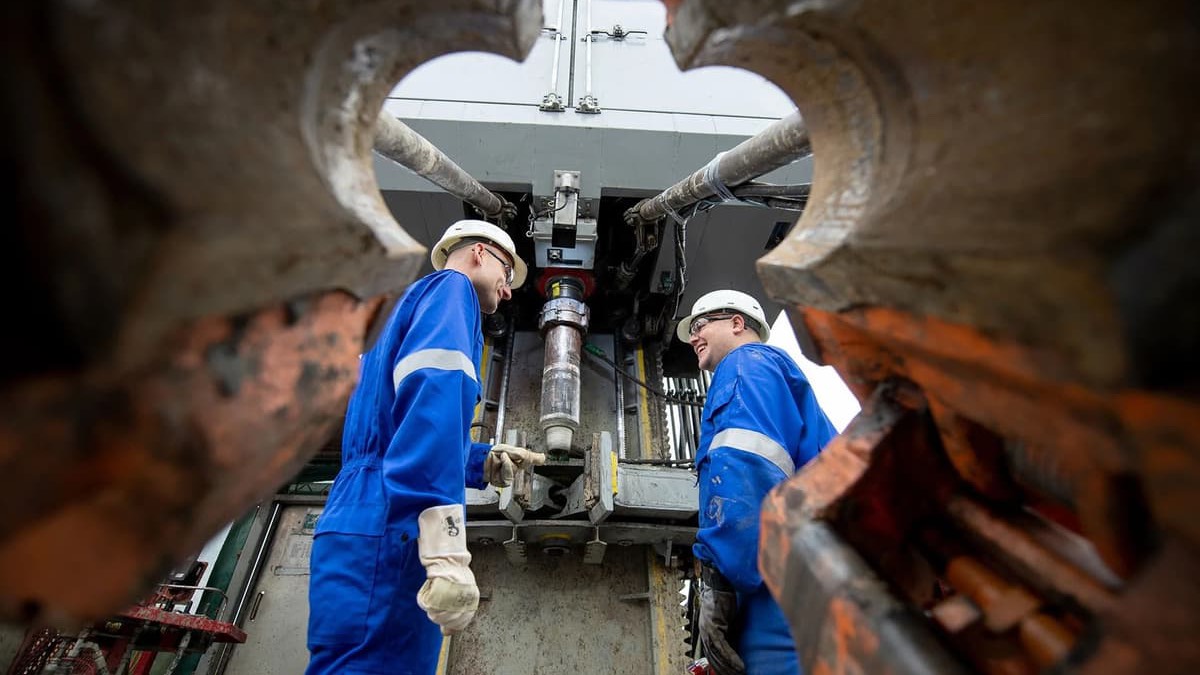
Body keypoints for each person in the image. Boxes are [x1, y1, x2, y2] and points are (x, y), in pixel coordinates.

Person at [307, 219, 545, 675]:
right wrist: (446, 550)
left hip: (362, 511)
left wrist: (480, 459)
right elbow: (430, 406)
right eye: (506, 273)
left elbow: (399, 428)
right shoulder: (451, 292)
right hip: (393, 520)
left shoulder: (403, 308)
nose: (509, 289)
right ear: (478, 253)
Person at [679, 289, 837, 675]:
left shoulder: (746, 363)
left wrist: (718, 577)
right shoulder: (774, 374)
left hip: (777, 583)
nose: (693, 337)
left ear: (736, 323)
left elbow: (747, 468)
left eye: (700, 326)